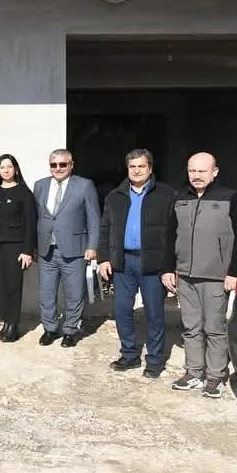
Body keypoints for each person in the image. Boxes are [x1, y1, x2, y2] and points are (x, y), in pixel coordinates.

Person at [164, 152, 237, 398]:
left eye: (202, 171)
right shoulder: (180, 199)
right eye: (192, 171)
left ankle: (215, 377)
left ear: (215, 172)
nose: (196, 176)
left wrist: (234, 273)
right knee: (191, 327)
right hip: (186, 275)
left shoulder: (231, 198)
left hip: (216, 276)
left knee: (214, 328)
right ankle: (193, 372)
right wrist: (167, 269)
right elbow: (170, 236)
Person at [98, 149, 176, 379]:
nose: (137, 170)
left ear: (150, 168)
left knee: (154, 313)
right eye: (133, 167)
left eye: (141, 166)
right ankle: (129, 355)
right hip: (123, 263)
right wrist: (103, 258)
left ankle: (154, 360)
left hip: (152, 262)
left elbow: (174, 232)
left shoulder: (166, 194)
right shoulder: (115, 196)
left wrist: (170, 265)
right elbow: (105, 230)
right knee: (122, 310)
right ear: (127, 169)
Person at [33, 149, 101, 348]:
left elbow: (94, 217)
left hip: (74, 249)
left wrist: (92, 246)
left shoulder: (84, 185)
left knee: (74, 293)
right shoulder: (41, 185)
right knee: (46, 293)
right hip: (47, 250)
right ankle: (50, 329)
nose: (58, 168)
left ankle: (70, 330)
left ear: (71, 165)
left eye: (63, 164)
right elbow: (36, 217)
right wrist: (33, 246)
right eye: (54, 165)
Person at [0, 155, 37, 343]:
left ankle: (13, 325)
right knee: (0, 285)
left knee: (13, 286)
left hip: (15, 246)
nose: (6, 170)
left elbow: (30, 223)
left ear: (16, 169)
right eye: (2, 167)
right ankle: (5, 320)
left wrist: (28, 250)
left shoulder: (24, 193)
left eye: (9, 166)